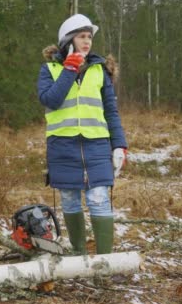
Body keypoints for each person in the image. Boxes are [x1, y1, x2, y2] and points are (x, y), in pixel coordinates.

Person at [37, 14, 127, 255]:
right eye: (82, 36)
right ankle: (79, 255)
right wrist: (69, 70)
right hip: (62, 146)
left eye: (89, 37)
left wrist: (119, 145)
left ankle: (105, 261)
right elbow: (51, 100)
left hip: (97, 145)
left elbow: (111, 111)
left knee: (99, 198)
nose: (87, 41)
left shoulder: (99, 71)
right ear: (68, 40)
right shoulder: (50, 69)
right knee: (69, 199)